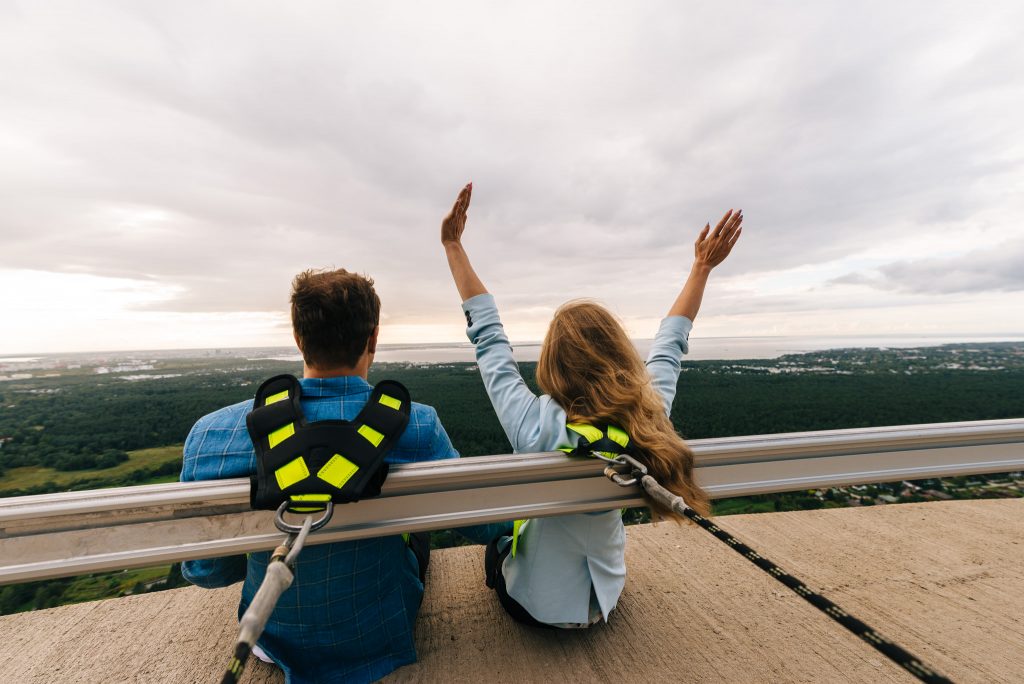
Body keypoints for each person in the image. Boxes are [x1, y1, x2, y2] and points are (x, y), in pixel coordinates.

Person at [440, 182, 742, 628]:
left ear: (552, 361)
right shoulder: (646, 416)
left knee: (498, 545)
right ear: (618, 353)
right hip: (605, 601)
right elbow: (669, 347)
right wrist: (701, 269)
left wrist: (452, 246)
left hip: (535, 607)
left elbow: (491, 344)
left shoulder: (533, 425)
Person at [181, 268, 502, 683]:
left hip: (270, 635)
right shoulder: (417, 427)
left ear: (299, 339)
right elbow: (481, 524)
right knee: (416, 529)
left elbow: (205, 572)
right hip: (379, 635)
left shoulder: (213, 434)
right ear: (373, 338)